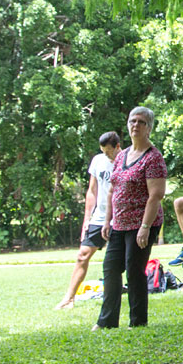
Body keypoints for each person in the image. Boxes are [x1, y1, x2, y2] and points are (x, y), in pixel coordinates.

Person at [95, 106, 167, 330]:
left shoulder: (153, 158)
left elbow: (156, 195)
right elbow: (112, 190)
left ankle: (137, 322)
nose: (136, 125)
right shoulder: (122, 155)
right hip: (119, 224)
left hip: (142, 223)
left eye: (141, 122)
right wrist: (107, 220)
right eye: (132, 121)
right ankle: (106, 322)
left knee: (134, 271)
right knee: (110, 268)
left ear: (149, 128)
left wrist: (145, 227)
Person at [56, 131, 122, 310]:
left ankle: (117, 299)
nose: (106, 155)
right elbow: (92, 191)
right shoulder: (98, 161)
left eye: (109, 152)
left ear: (117, 147)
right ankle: (69, 298)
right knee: (82, 255)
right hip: (99, 217)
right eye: (103, 151)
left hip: (119, 218)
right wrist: (87, 219)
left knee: (115, 263)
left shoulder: (126, 160)